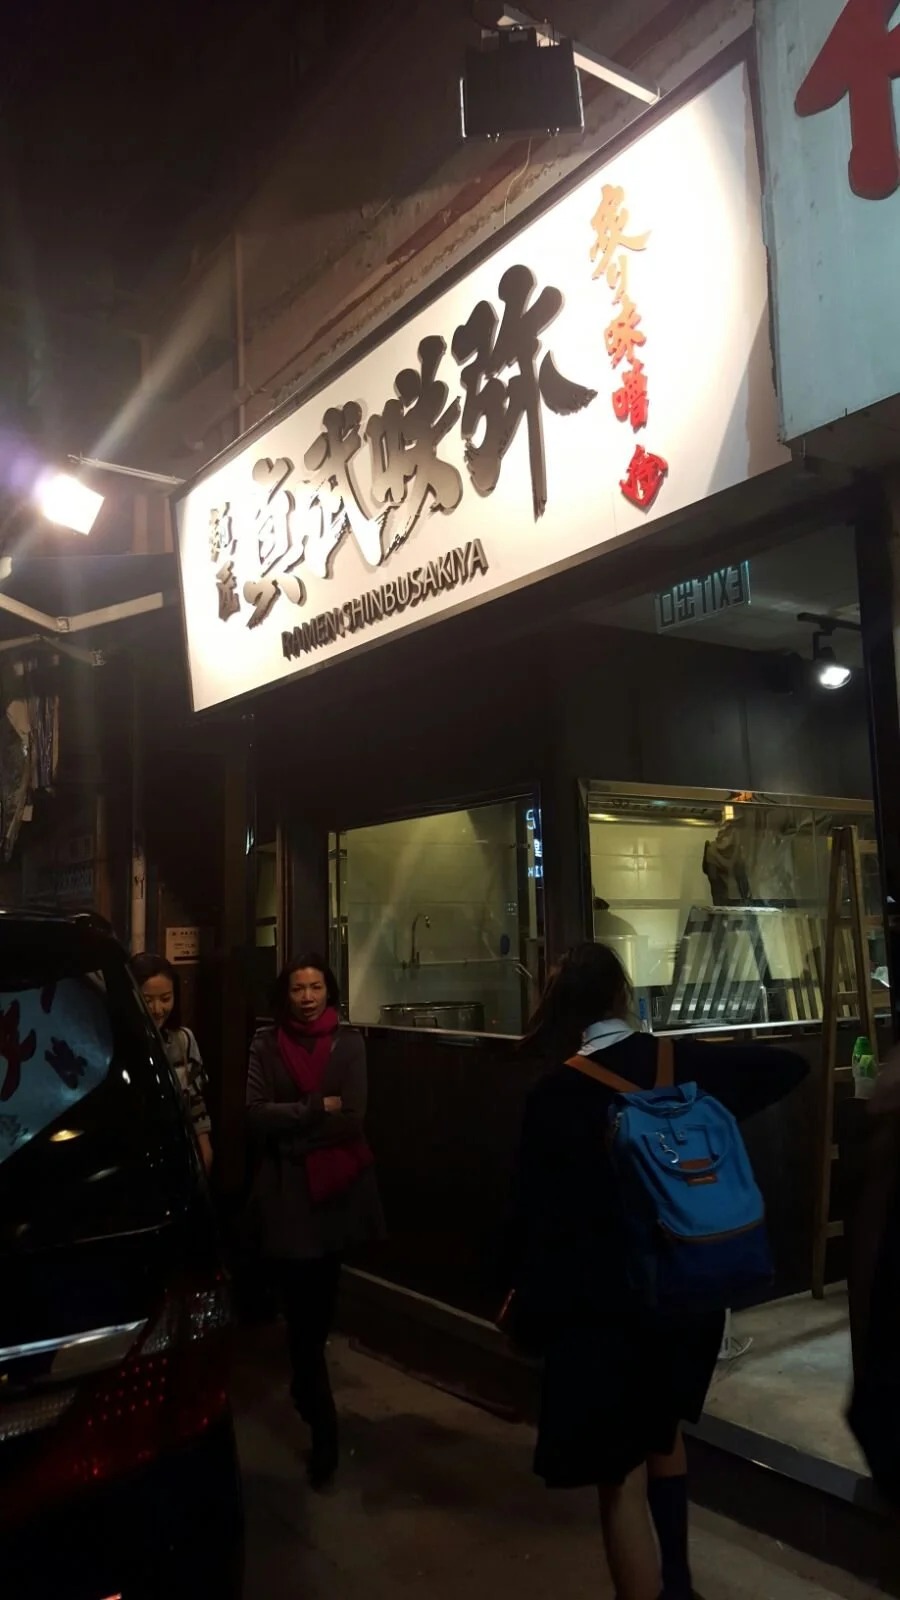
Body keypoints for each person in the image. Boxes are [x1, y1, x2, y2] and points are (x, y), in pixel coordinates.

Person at [506, 942, 808, 1600]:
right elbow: (787, 1066)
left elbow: (532, 1216)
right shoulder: (678, 1062)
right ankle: (679, 1584)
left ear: (562, 1007)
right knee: (664, 1431)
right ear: (622, 996)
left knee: (619, 1478)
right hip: (688, 1295)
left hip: (605, 1312)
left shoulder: (553, 1094)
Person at [245, 953, 383, 1490]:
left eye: (316, 987)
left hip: (335, 1194)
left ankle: (309, 1395)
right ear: (286, 995)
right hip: (286, 1198)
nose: (307, 996)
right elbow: (255, 1114)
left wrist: (294, 1128)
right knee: (300, 1314)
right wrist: (312, 1109)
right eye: (298, 988)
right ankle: (324, 1431)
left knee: (318, 1309)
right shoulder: (265, 1043)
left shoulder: (349, 1044)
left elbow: (353, 1116)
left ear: (330, 992)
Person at [130, 952, 213, 1175]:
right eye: (147, 1000)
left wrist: (204, 1145)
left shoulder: (183, 1040)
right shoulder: (117, 1044)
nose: (157, 1009)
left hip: (176, 1151)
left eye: (165, 999)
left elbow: (195, 1101)